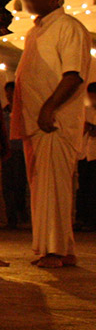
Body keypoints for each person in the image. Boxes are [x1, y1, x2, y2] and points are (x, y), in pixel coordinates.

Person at [12, 0, 90, 267]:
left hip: (54, 122)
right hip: (36, 123)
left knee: (53, 188)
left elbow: (73, 75)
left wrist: (48, 108)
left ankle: (55, 251)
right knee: (44, 188)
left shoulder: (68, 27)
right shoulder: (36, 32)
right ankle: (61, 249)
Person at [0, 81, 29, 229]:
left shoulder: (22, 111)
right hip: (8, 151)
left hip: (19, 150)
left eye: (11, 92)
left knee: (19, 184)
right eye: (7, 92)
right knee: (7, 186)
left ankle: (21, 215)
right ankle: (11, 218)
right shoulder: (3, 112)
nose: (9, 95)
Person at [76, 82, 96, 231]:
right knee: (83, 187)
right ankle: (82, 218)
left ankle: (92, 220)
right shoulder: (85, 110)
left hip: (94, 154)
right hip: (85, 154)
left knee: (93, 188)